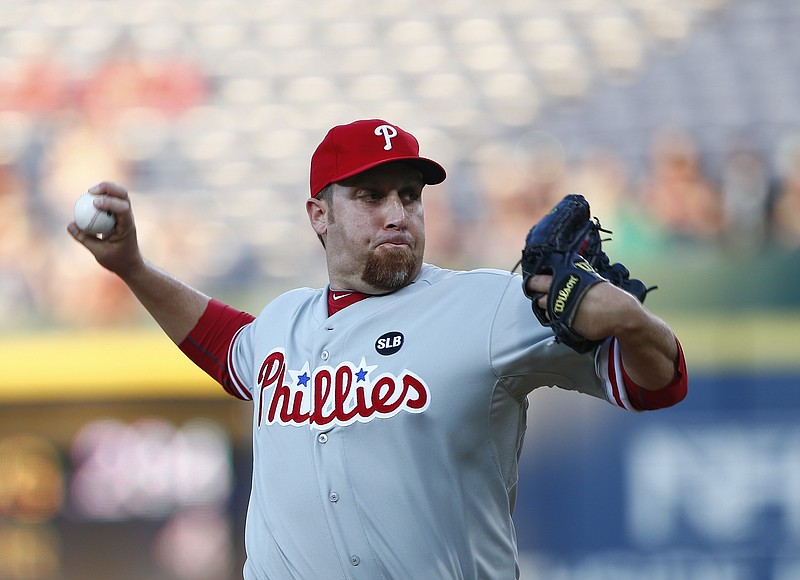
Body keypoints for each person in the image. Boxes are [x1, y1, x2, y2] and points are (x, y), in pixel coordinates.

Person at [68, 119, 688, 580]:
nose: (397, 213)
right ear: (319, 214)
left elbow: (658, 384)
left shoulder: (493, 305)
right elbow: (225, 343)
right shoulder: (284, 320)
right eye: (371, 196)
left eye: (410, 196)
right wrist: (133, 268)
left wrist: (632, 322)